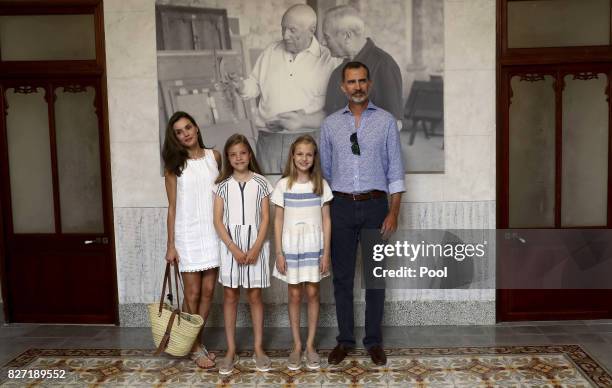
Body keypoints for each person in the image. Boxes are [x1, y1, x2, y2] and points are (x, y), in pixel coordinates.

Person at [319, 61, 405, 366]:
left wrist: (393, 212)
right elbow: (325, 175)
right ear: (343, 87)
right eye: (351, 82)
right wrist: (327, 216)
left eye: (362, 81)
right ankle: (344, 340)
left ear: (369, 84)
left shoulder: (385, 121)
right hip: (340, 207)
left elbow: (395, 170)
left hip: (375, 207)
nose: (357, 87)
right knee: (342, 279)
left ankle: (373, 342)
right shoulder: (330, 125)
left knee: (375, 278)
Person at [231, 4, 340, 174]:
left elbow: (335, 109)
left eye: (292, 30)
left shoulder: (329, 60)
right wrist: (241, 86)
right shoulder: (271, 51)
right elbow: (254, 84)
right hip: (269, 143)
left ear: (311, 30)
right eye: (283, 29)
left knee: (305, 195)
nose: (285, 35)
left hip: (307, 143)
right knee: (270, 195)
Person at [161, 111, 221, 369]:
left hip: (213, 232)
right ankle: (194, 347)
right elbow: (172, 207)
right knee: (193, 293)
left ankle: (195, 340)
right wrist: (171, 245)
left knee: (208, 292)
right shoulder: (174, 167)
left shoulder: (214, 157)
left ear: (196, 128)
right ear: (175, 137)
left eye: (188, 127)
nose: (185, 133)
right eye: (179, 131)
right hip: (188, 234)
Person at [213, 134, 273, 375]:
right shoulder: (221, 186)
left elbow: (266, 218)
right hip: (231, 246)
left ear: (250, 154)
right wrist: (234, 248)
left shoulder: (262, 183)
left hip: (256, 244)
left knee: (255, 296)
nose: (238, 158)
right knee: (230, 296)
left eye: (243, 153)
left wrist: (257, 246)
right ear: (228, 158)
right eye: (233, 154)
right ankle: (230, 350)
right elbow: (217, 221)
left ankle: (258, 348)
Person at [271, 135, 333, 370]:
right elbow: (277, 221)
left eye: (309, 154)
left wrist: (326, 253)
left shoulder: (321, 186)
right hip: (291, 248)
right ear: (292, 156)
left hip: (314, 249)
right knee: (295, 295)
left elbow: (327, 221)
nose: (304, 158)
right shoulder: (283, 185)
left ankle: (310, 346)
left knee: (313, 294)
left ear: (314, 157)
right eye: (300, 154)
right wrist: (279, 252)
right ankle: (296, 345)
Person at [322, 5, 403, 122]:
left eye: (327, 37)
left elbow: (394, 124)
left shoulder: (384, 65)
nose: (323, 42)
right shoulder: (338, 72)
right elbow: (330, 115)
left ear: (347, 36)